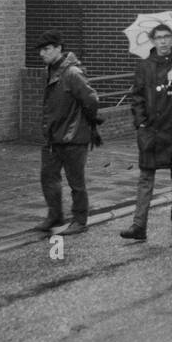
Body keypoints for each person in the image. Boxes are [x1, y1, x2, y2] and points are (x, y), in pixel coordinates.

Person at [119, 23, 172, 242]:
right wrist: (141, 124)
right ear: (153, 40)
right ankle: (139, 225)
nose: (163, 41)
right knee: (146, 178)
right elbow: (137, 97)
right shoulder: (144, 67)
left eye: (167, 37)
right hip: (153, 133)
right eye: (159, 38)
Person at [35, 31, 101, 236]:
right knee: (48, 176)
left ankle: (80, 220)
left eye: (46, 49)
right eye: (40, 50)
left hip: (73, 137)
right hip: (54, 137)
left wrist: (84, 124)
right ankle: (55, 215)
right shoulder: (52, 70)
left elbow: (92, 100)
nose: (41, 54)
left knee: (76, 182)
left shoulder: (72, 73)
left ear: (58, 48)